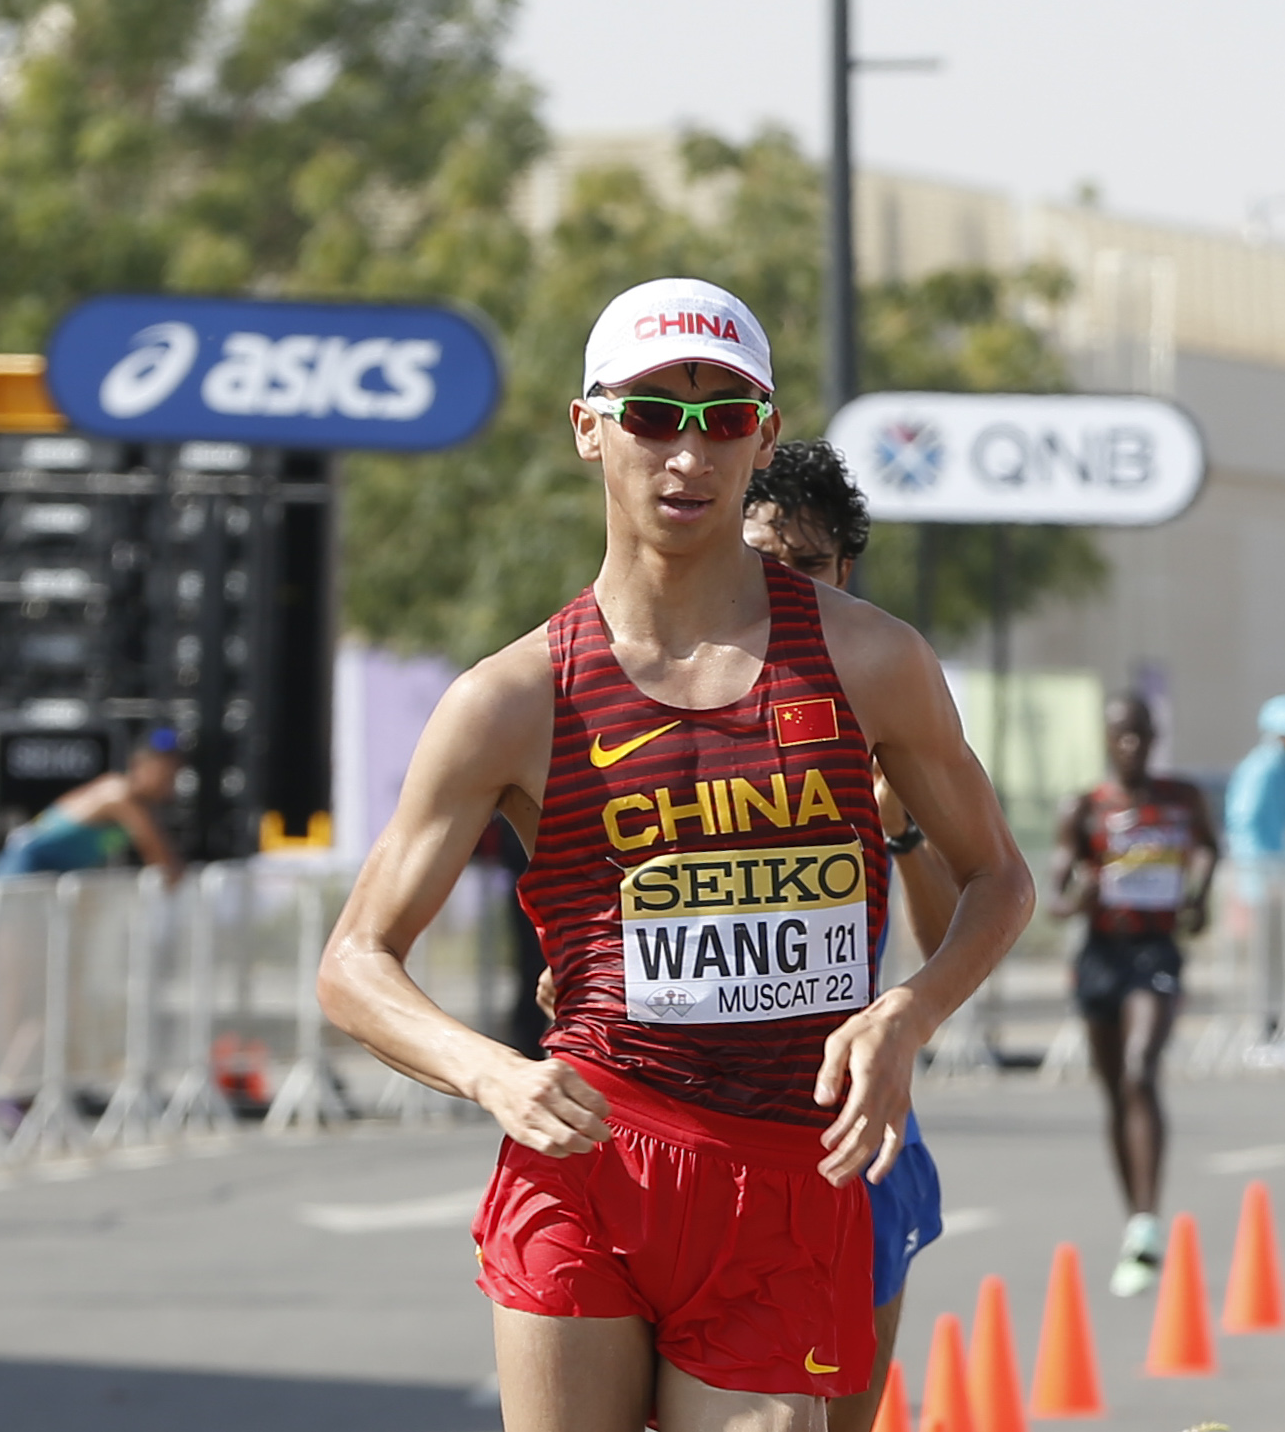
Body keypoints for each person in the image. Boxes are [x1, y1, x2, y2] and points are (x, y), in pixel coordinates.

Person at [315, 277, 1032, 1432]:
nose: (686, 452)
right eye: (653, 412)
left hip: (789, 1164)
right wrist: (492, 1070)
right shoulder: (508, 698)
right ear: (589, 426)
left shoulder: (870, 660)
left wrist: (907, 1013)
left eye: (721, 416)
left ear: (763, 432)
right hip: (591, 1152)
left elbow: (1000, 877)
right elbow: (353, 963)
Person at [742, 439, 965, 1432]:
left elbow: (963, 914)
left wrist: (900, 826)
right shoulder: (657, 695)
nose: (781, 584)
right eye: (761, 555)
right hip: (693, 1108)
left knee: (837, 1414)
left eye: (810, 563)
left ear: (844, 570)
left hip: (849, 1112)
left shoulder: (876, 690)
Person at [1051, 692, 1218, 1295]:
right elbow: (1057, 892)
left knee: (1139, 1068)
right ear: (1106, 740)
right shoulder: (1086, 808)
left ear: (1154, 739)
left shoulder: (1182, 799)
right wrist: (1081, 895)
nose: (1131, 746)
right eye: (1121, 735)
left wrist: (1197, 896)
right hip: (1101, 955)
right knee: (1116, 1094)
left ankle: (1148, 1221)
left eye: (1141, 735)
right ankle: (1136, 1221)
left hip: (1155, 952)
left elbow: (1206, 850)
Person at [1225, 694, 1285, 1059]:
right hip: (1262, 875)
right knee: (1260, 957)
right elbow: (1244, 821)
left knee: (1284, 955)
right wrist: (1256, 874)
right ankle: (1261, 1029)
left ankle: (1278, 1026)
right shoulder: (1261, 768)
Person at [0, 727, 185, 882]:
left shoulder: (143, 806)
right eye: (164, 773)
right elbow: (161, 858)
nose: (168, 782)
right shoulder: (118, 795)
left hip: (52, 874)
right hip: (25, 865)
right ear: (138, 765)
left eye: (173, 775)